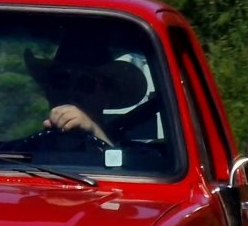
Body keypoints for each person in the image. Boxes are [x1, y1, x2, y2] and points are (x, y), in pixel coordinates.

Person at [24, 32, 157, 146]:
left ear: (106, 94)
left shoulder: (136, 159)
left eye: (85, 84)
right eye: (61, 82)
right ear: (48, 91)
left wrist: (94, 132)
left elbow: (125, 171)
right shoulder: (25, 151)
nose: (71, 92)